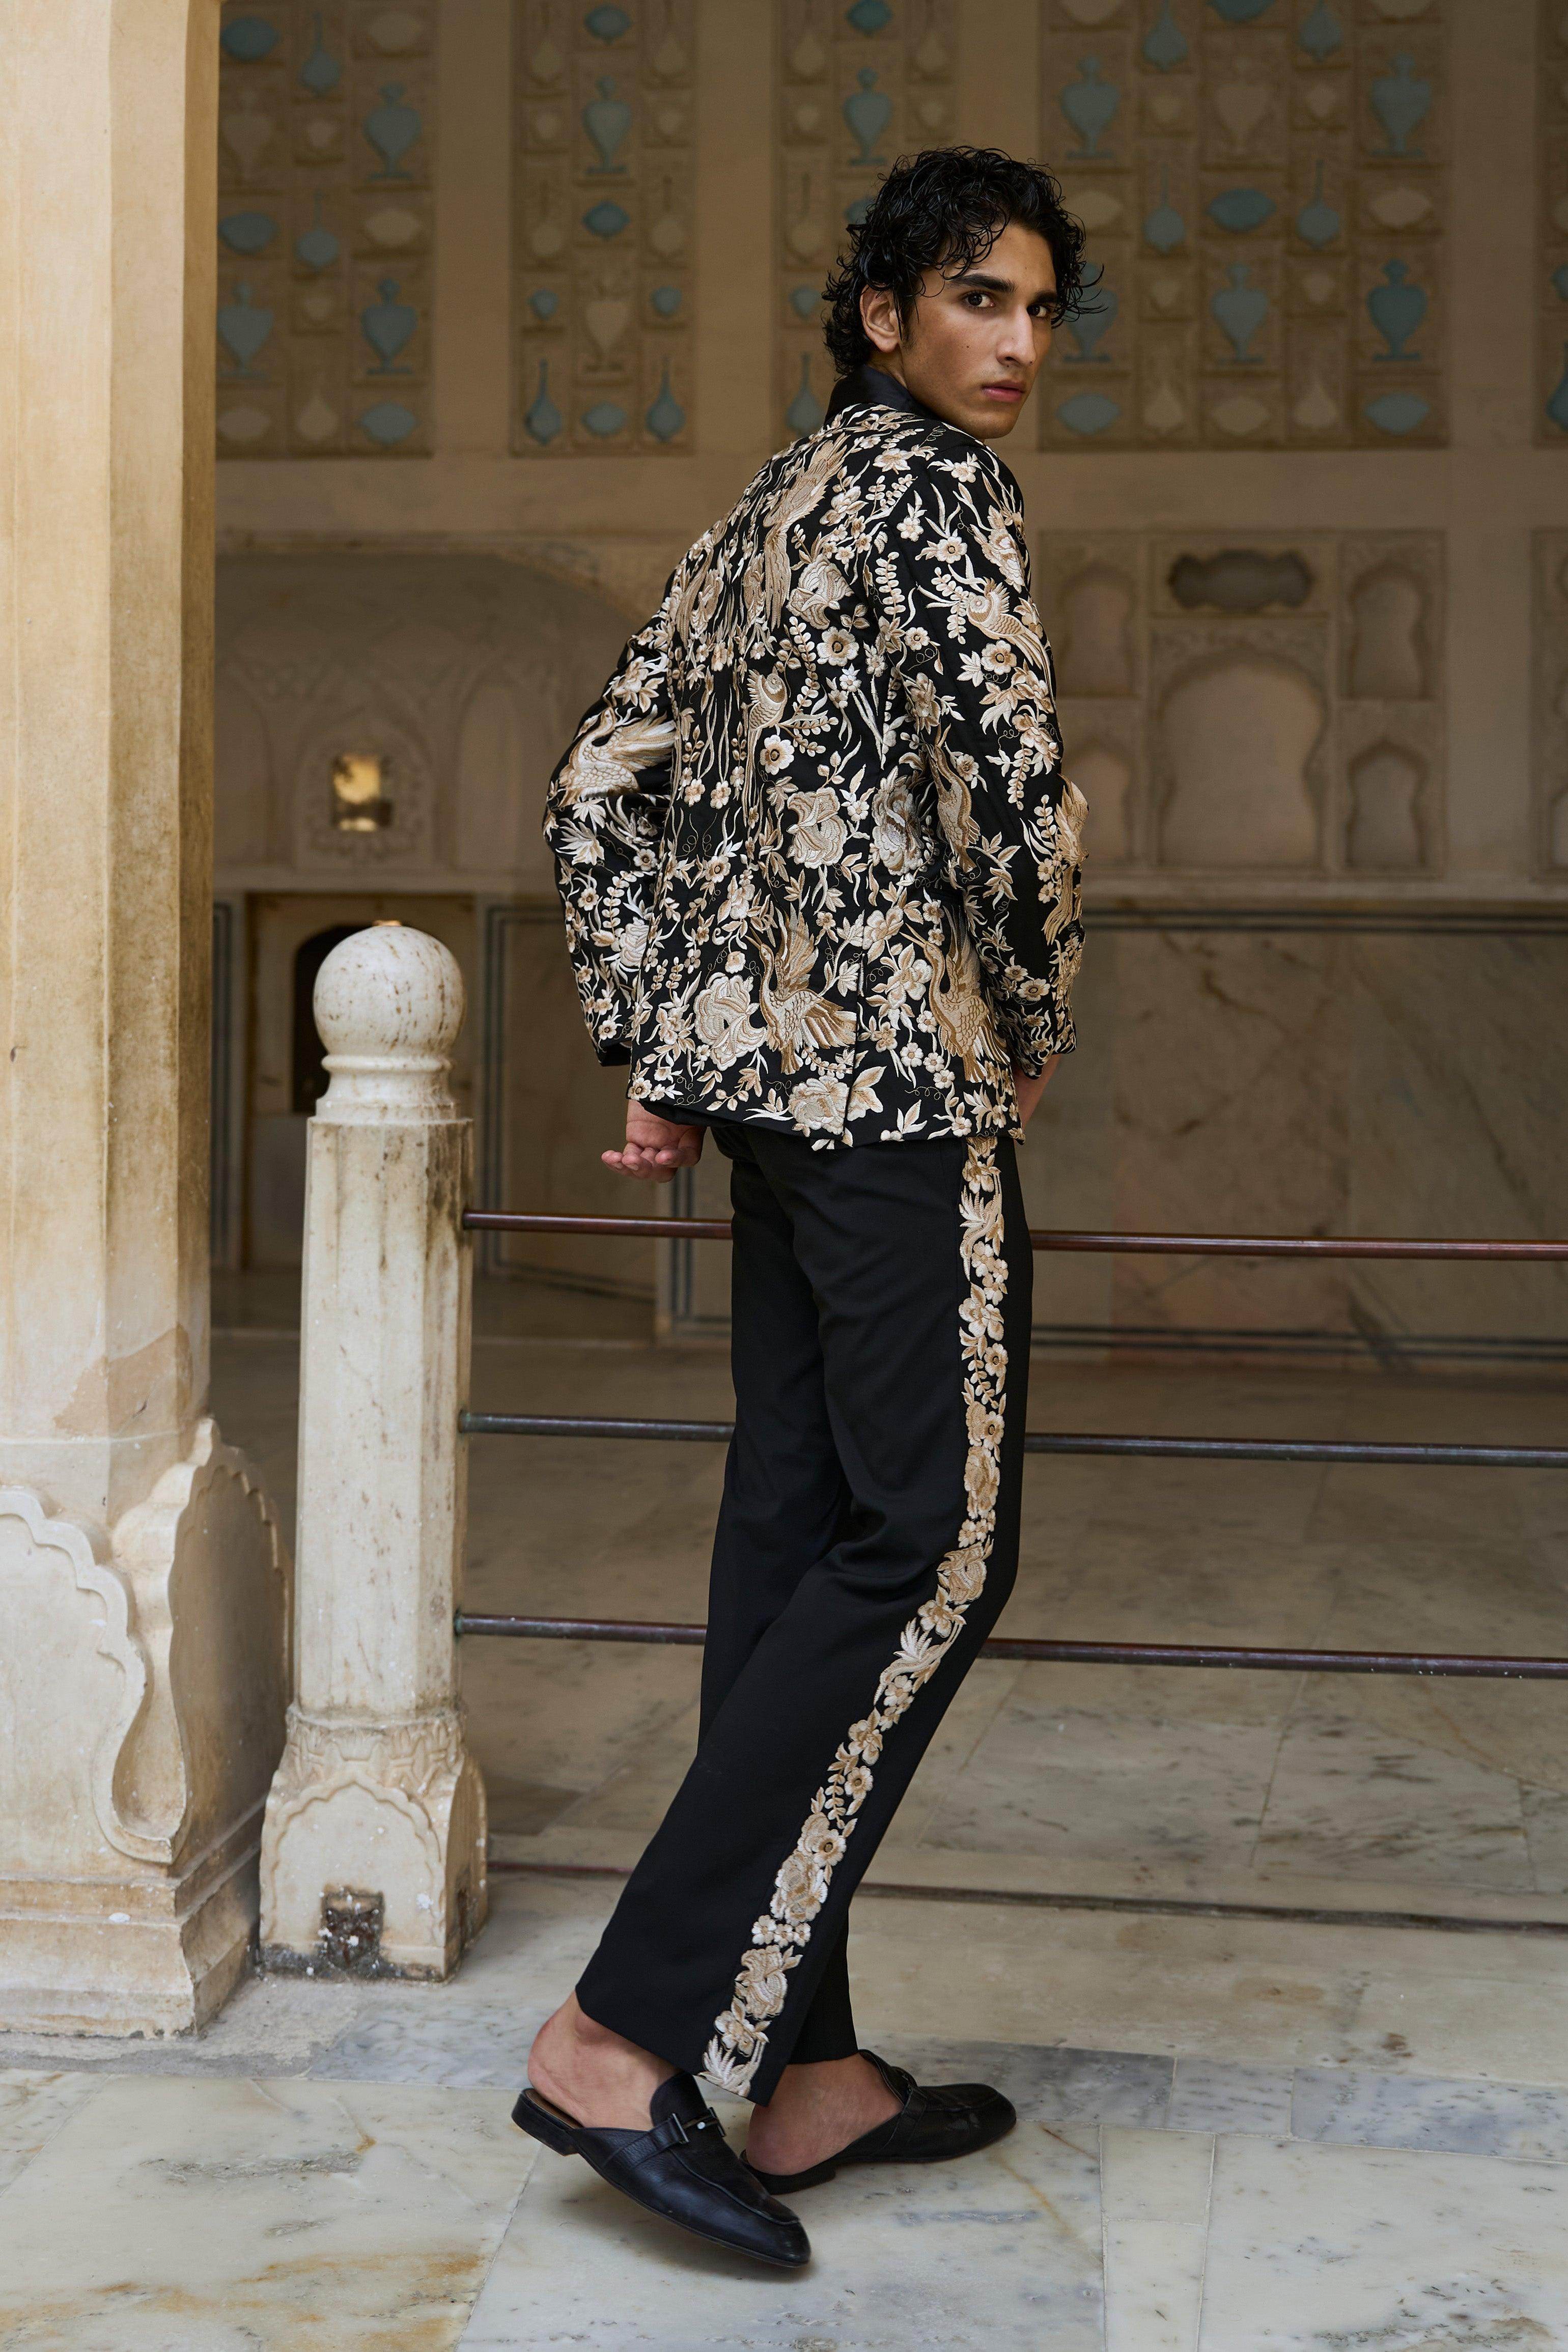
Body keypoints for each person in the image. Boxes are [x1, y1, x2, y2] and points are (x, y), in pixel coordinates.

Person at [519, 146, 1088, 2270]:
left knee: (795, 1540)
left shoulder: (771, 509)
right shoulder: (937, 496)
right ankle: (622, 2034)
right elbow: (1008, 799)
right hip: (897, 1090)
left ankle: (809, 2067)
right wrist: (1028, 1012)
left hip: (773, 1099)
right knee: (930, 1540)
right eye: (976, 301)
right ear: (880, 315)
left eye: (1038, 308)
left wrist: (666, 1035)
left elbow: (602, 774)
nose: (1014, 346)